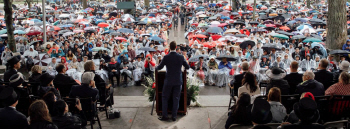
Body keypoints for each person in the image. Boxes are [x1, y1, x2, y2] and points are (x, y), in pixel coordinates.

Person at [156, 41, 190, 121]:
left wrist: (155, 68)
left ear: (169, 47)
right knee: (176, 98)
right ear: (176, 48)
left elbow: (159, 67)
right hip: (178, 80)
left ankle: (165, 115)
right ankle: (174, 116)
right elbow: (187, 67)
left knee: (164, 97)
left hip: (168, 80)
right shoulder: (181, 57)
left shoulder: (166, 57)